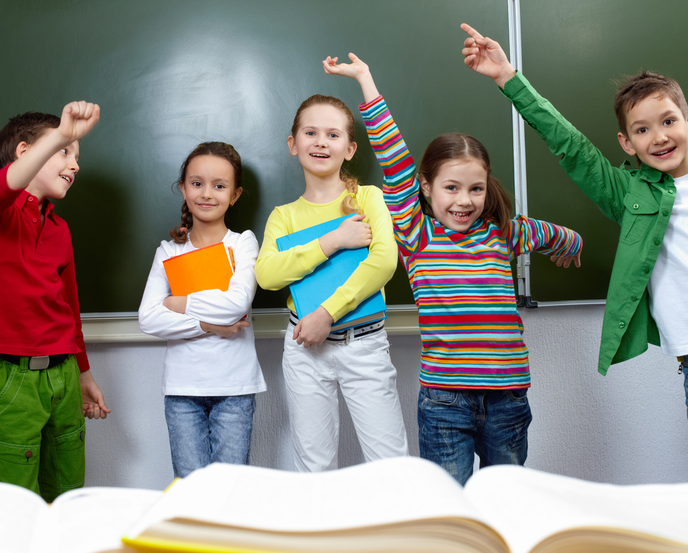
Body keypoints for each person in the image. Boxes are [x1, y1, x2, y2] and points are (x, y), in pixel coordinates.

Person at [460, 23, 688, 483]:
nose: (659, 136)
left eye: (668, 121)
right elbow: (569, 145)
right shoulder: (628, 193)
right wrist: (507, 77)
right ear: (626, 144)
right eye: (642, 129)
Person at [325, 52, 582, 485]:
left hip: (508, 399)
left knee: (507, 496)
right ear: (425, 188)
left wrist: (568, 247)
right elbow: (392, 155)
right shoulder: (416, 233)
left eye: (476, 189)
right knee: (450, 502)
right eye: (451, 188)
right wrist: (366, 80)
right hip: (445, 401)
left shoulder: (503, 232)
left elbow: (560, 234)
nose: (464, 200)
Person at [255, 92, 408, 472]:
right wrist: (333, 240)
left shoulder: (368, 198)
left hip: (364, 345)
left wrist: (327, 312)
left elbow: (384, 262)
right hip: (305, 351)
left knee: (389, 463)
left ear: (351, 149)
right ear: (293, 144)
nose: (321, 142)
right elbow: (267, 275)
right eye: (310, 132)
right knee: (314, 467)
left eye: (333, 134)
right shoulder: (284, 216)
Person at [0, 102, 109, 502]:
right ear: (26, 153)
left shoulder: (60, 229)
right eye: (65, 152)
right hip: (11, 378)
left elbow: (70, 310)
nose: (75, 164)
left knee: (67, 494)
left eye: (77, 155)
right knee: (20, 502)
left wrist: (82, 372)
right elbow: (4, 185)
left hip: (61, 371)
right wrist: (63, 134)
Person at [139, 142, 266, 477]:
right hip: (183, 391)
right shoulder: (168, 252)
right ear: (183, 188)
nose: (207, 193)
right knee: (189, 488)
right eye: (196, 183)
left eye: (219, 186)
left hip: (234, 389)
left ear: (235, 195)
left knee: (230, 487)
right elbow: (148, 317)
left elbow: (237, 304)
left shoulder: (243, 243)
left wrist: (178, 303)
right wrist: (210, 326)